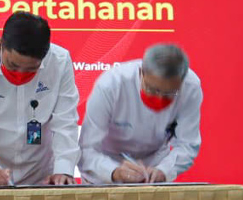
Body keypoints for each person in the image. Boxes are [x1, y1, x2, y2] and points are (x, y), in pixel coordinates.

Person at [0, 11, 80, 186]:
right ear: (0, 45)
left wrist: (63, 169)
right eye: (13, 65)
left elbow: (65, 122)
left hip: (41, 175)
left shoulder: (60, 62)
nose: (20, 74)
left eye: (31, 69)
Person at [78, 44, 202, 184]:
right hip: (106, 161)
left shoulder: (191, 86)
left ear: (181, 82)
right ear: (141, 73)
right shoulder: (111, 85)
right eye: (153, 90)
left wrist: (164, 170)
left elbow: (187, 144)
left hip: (154, 164)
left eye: (169, 93)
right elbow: (87, 149)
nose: (159, 99)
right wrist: (113, 171)